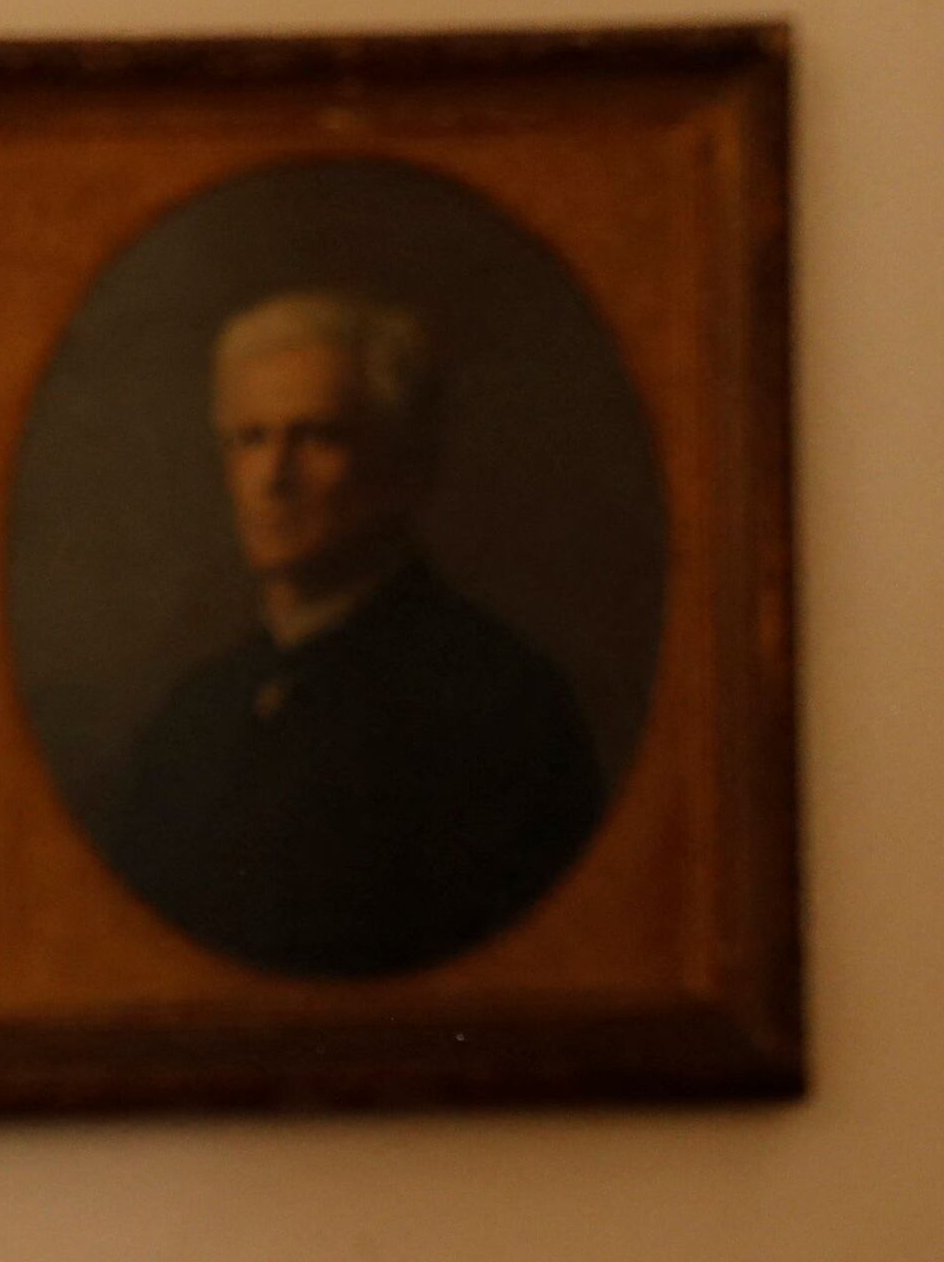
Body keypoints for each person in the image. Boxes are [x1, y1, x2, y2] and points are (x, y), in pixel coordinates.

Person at [98, 287, 607, 980]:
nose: (273, 477)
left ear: (405, 469)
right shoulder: (193, 715)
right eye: (250, 440)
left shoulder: (498, 704)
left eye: (317, 437)